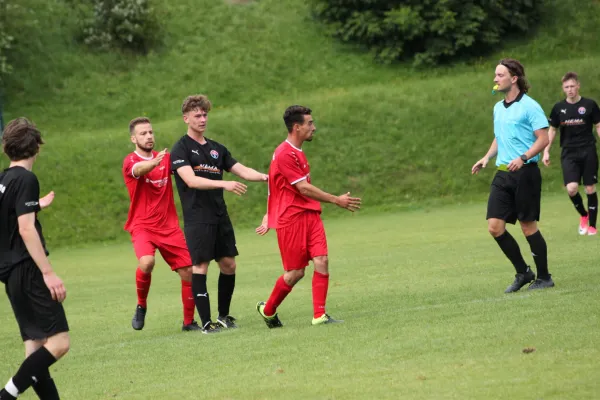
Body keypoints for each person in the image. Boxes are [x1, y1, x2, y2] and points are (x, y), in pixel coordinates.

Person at [255, 105, 361, 328]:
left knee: (322, 260)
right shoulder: (284, 153)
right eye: (310, 123)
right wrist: (336, 200)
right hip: (291, 219)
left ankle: (319, 315)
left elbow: (280, 188)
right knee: (295, 273)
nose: (314, 127)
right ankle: (268, 310)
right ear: (297, 127)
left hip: (310, 214)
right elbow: (303, 188)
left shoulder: (297, 152)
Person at [170, 95, 268, 334]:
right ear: (186, 118)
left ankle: (223, 315)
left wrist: (267, 176)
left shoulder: (216, 149)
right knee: (201, 266)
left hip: (219, 215)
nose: (203, 119)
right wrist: (224, 184)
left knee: (228, 264)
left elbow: (241, 170)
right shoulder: (180, 148)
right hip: (197, 217)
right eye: (197, 115)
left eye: (205, 114)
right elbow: (190, 180)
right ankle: (205, 323)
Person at [0, 118, 70, 400]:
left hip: (10, 274)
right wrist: (49, 272)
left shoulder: (4, 179)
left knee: (36, 347)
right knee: (59, 342)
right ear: (36, 148)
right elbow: (25, 228)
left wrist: (35, 205)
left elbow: (10, 216)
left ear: (8, 149)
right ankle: (6, 395)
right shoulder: (27, 179)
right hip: (28, 269)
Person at [472, 59, 554, 292]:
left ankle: (545, 277)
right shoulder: (498, 108)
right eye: (495, 75)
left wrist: (524, 157)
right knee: (494, 227)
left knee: (528, 227)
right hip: (502, 174)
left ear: (514, 78)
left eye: (500, 75)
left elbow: (543, 138)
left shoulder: (530, 106)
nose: (495, 79)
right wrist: (486, 157)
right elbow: (500, 136)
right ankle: (524, 272)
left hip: (525, 173)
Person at [123, 117, 200, 332]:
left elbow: (186, 172)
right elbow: (138, 170)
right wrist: (153, 163)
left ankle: (188, 322)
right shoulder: (131, 160)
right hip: (143, 226)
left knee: (188, 271)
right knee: (147, 263)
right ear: (133, 138)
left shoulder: (166, 158)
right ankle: (141, 305)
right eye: (143, 134)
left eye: (150, 132)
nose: (148, 136)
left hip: (168, 226)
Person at [543, 72, 600, 235]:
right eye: (567, 87)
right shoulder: (558, 108)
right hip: (569, 153)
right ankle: (584, 215)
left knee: (590, 187)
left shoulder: (590, 105)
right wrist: (546, 150)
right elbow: (552, 130)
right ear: (563, 88)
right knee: (572, 189)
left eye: (572, 86)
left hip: (588, 150)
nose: (570, 90)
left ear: (578, 86)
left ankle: (593, 226)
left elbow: (598, 126)